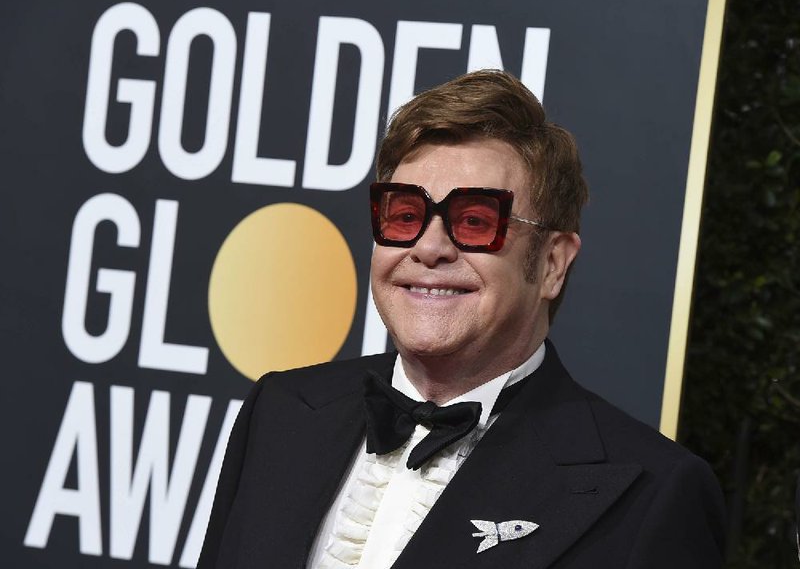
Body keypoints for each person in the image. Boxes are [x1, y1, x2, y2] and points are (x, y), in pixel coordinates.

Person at [197, 69, 725, 568]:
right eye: (404, 215)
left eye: (475, 221)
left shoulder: (654, 493)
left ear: (551, 263)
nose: (428, 248)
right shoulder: (281, 412)